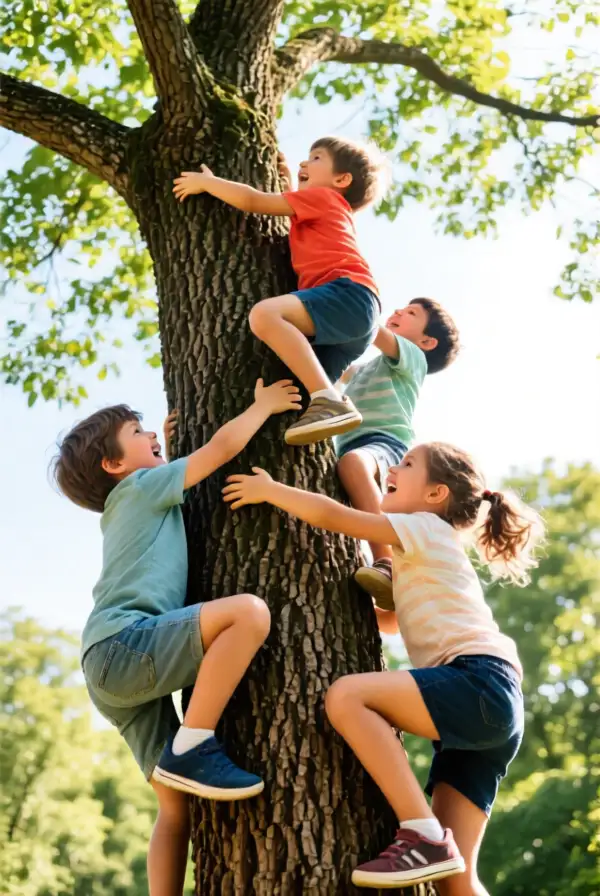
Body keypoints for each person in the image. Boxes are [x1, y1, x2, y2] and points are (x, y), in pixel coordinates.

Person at [222, 442, 544, 892]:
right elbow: (392, 622)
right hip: (491, 707)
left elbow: (336, 517)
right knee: (457, 882)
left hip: (477, 683)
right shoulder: (428, 547)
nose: (392, 468)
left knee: (347, 696)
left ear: (435, 495)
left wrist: (272, 490)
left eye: (407, 464)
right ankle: (432, 840)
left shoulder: (423, 528)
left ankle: (422, 831)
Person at [52, 378, 301, 896]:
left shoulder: (136, 497)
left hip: (107, 666)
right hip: (126, 645)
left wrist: (165, 442)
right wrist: (262, 406)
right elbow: (222, 450)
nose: (151, 437)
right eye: (138, 432)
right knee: (249, 614)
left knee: (174, 803)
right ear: (113, 465)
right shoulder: (142, 487)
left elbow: (181, 469)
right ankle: (194, 742)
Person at [173, 137, 387, 446]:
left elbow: (252, 200)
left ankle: (329, 399)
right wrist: (288, 180)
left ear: (341, 179)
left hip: (347, 295)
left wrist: (209, 183)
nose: (304, 163)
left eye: (316, 158)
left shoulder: (325, 199)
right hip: (355, 317)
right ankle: (326, 401)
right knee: (298, 389)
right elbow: (294, 215)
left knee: (264, 315)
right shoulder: (326, 211)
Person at [337, 299, 460, 610]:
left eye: (411, 314)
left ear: (426, 342)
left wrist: (343, 302)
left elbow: (370, 330)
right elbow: (335, 373)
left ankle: (386, 563)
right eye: (402, 307)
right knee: (349, 469)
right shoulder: (367, 369)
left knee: (352, 465)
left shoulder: (413, 358)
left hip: (386, 443)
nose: (399, 312)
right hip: (355, 446)